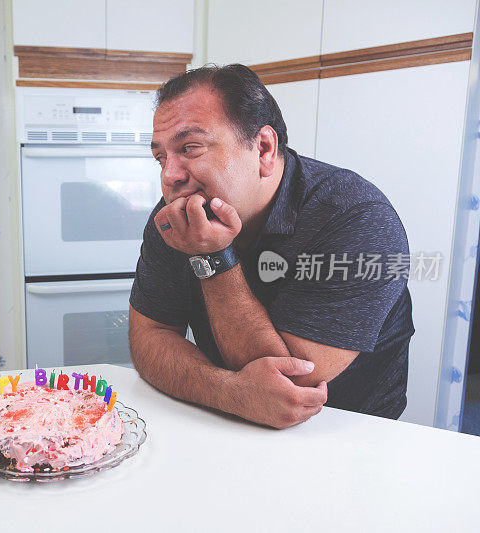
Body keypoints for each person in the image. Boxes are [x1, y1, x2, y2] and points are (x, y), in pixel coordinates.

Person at [129, 65, 414, 429]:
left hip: (349, 433)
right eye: (161, 158)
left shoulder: (357, 219)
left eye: (189, 148)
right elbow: (149, 337)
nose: (169, 175)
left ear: (263, 149)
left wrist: (211, 255)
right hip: (231, 419)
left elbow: (288, 385)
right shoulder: (180, 213)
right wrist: (228, 392)